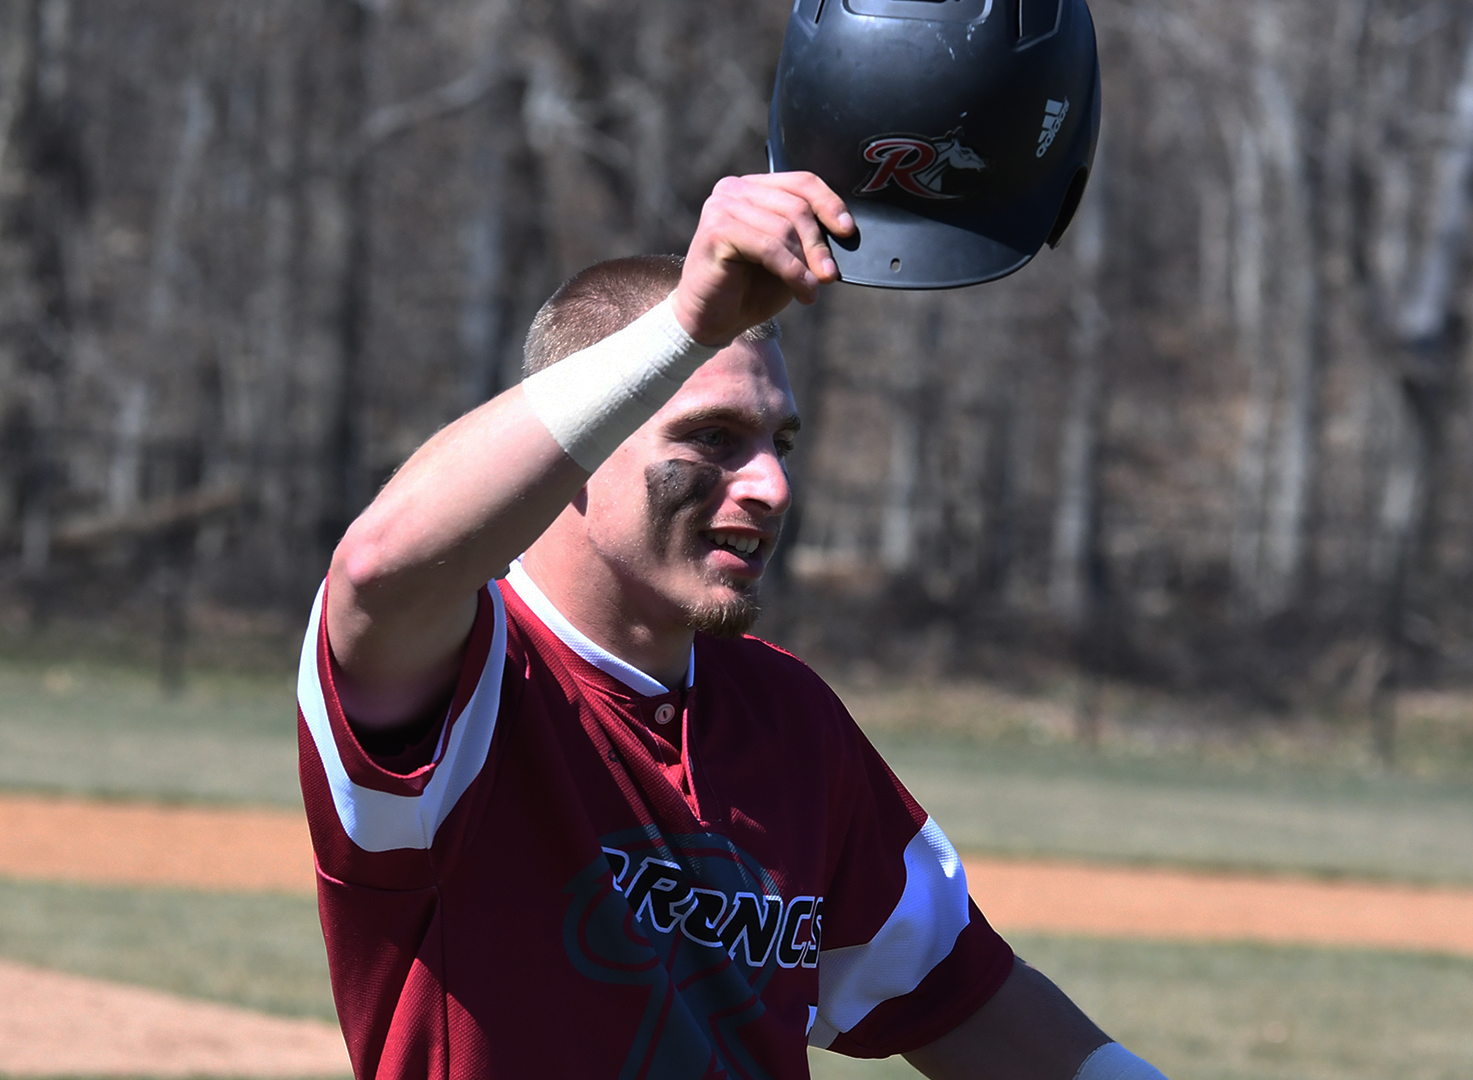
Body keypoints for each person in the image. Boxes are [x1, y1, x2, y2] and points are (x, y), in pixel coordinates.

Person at [298, 172, 1168, 1080]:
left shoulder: (786, 716)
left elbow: (959, 995)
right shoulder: (469, 678)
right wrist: (683, 326)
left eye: (778, 444)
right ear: (578, 449)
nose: (772, 486)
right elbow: (375, 572)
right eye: (713, 438)